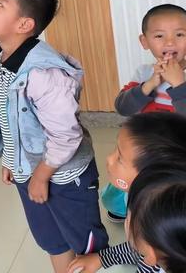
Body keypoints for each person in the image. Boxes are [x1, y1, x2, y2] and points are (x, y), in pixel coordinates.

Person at [0, 0, 108, 273]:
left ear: (24, 25)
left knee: (86, 247)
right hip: (30, 170)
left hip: (64, 176)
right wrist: (12, 160)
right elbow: (11, 120)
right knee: (52, 240)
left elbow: (66, 137)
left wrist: (41, 175)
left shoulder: (44, 74)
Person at [67, 112, 186, 273]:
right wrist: (102, 258)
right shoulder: (161, 238)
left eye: (120, 158)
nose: (109, 158)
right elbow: (140, 248)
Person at [101, 3, 186, 222]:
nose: (169, 42)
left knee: (168, 200)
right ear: (145, 42)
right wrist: (148, 85)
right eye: (159, 36)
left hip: (177, 154)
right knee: (126, 191)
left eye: (179, 34)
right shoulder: (143, 72)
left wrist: (179, 85)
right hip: (142, 151)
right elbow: (122, 107)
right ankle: (126, 208)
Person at [126, 167, 186, 273]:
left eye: (128, 216)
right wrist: (100, 259)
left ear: (150, 256)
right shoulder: (164, 252)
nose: (126, 221)